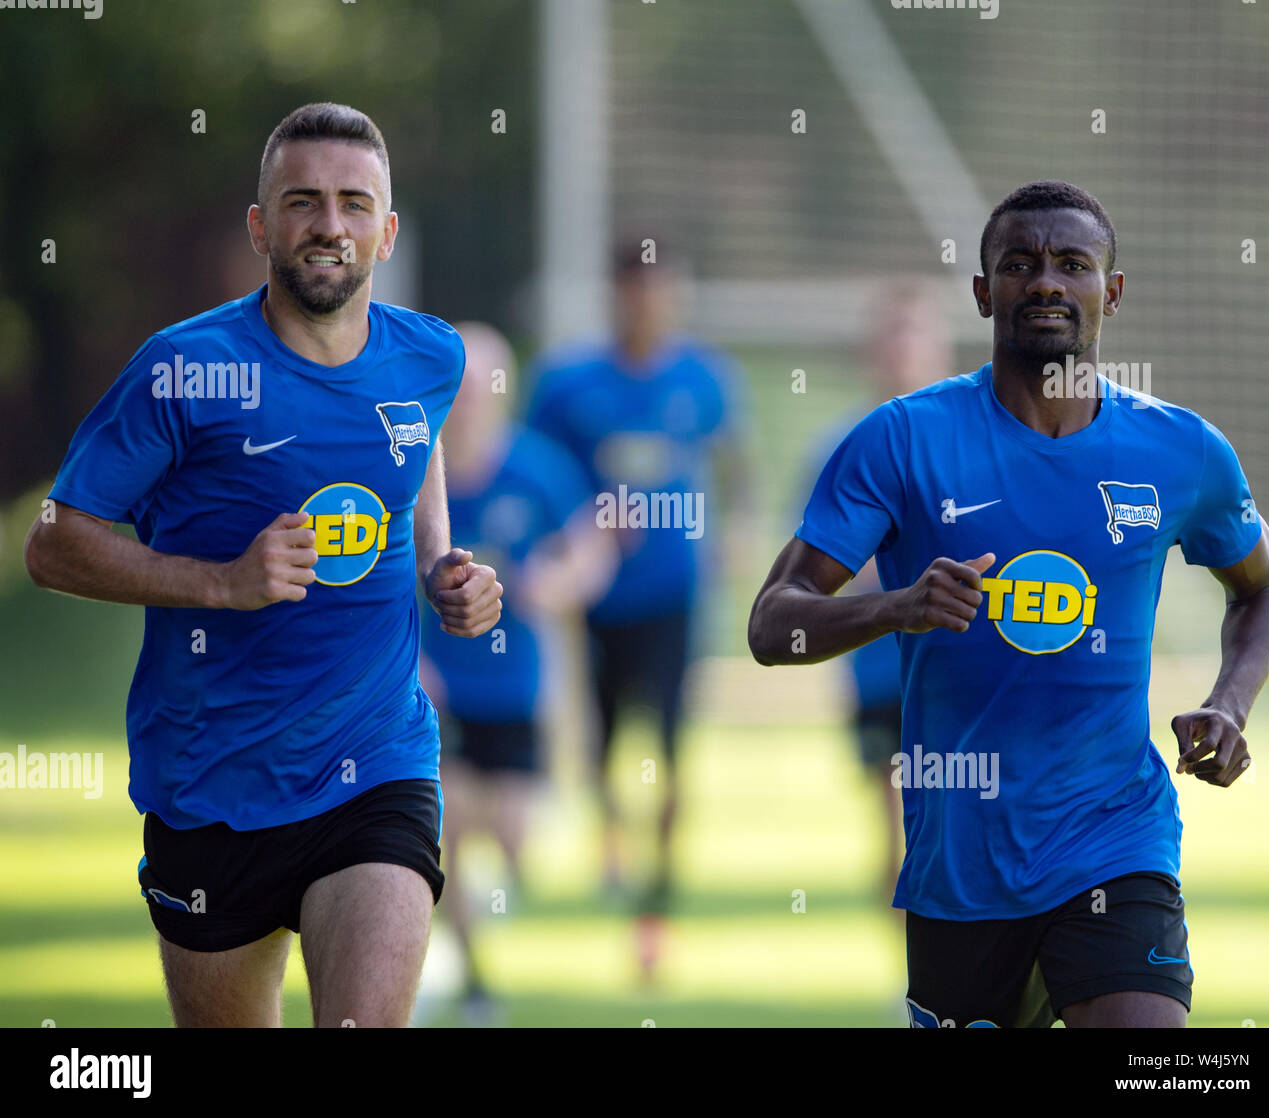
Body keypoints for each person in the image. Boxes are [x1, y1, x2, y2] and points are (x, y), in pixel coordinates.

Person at [748, 181, 1269, 1028]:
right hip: (961, 871)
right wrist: (895, 607)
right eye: (1020, 264)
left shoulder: (1181, 450)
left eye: (1072, 264)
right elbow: (771, 624)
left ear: (1111, 292)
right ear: (982, 292)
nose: (1045, 282)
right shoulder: (900, 439)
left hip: (1118, 837)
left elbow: (1263, 589)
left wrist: (1229, 704)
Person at [23, 102, 503, 1028]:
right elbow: (55, 541)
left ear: (387, 231)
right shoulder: (183, 369)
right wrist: (219, 582)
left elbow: (420, 439)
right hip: (212, 786)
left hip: (376, 766)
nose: (331, 225)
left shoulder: (430, 354)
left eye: (355, 204)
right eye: (304, 201)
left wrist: (439, 562)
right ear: (260, 226)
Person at [526, 238, 750, 936]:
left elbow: (733, 460)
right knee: (598, 738)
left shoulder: (705, 378)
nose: (647, 303)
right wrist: (577, 535)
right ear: (615, 294)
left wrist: (733, 530)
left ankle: (664, 870)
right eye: (635, 289)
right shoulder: (569, 383)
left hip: (673, 590)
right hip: (596, 595)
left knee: (674, 737)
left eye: (660, 289)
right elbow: (534, 475)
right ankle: (613, 841)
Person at [418, 321, 615, 1022]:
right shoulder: (415, 476)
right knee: (444, 829)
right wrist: (410, 660)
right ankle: (472, 975)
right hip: (432, 691)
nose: (470, 400)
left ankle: (491, 890)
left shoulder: (536, 468)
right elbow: (381, 580)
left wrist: (558, 582)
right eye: (459, 387)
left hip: (515, 687)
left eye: (483, 387)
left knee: (509, 831)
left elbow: (591, 544)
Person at [797, 285, 954, 903]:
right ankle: (914, 981)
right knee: (900, 832)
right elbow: (813, 568)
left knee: (966, 826)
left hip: (965, 667)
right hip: (879, 671)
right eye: (892, 339)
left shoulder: (971, 440)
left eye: (916, 338)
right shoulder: (840, 447)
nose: (902, 354)